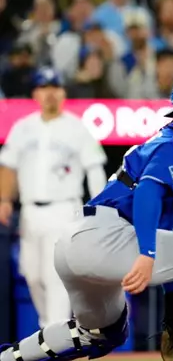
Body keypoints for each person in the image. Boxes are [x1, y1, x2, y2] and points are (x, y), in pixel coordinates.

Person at [0, 71, 173, 361]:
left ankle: (8, 358)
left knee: (98, 333)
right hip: (104, 236)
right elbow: (147, 193)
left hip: (74, 241)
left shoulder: (170, 142)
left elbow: (168, 232)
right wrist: (146, 253)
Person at [0, 67, 107, 328]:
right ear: (36, 93)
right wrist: (4, 200)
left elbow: (94, 169)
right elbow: (8, 166)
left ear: (62, 93)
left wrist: (101, 209)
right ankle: (51, 329)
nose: (50, 93)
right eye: (44, 88)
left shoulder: (76, 128)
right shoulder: (23, 127)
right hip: (30, 212)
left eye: (55, 88)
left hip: (64, 210)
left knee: (55, 277)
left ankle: (55, 336)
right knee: (32, 275)